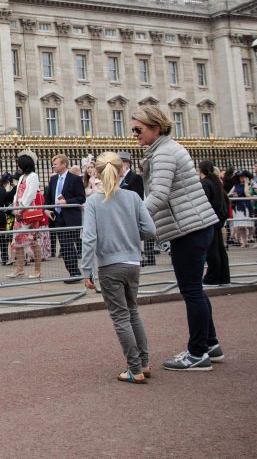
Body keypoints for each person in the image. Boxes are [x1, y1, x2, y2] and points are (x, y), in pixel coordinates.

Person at [131, 106, 224, 372]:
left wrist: (132, 220)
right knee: (196, 289)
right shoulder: (166, 149)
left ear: (155, 127)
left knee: (191, 291)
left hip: (187, 228)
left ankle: (197, 354)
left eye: (139, 129)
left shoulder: (163, 154)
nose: (135, 134)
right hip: (193, 225)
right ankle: (210, 344)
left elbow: (158, 196)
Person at [81, 152, 157, 384]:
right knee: (133, 312)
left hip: (110, 264)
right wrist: (132, 237)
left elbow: (90, 238)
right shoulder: (133, 197)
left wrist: (86, 270)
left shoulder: (94, 201)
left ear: (98, 173)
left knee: (120, 317)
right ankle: (143, 362)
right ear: (121, 171)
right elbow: (150, 230)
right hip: (133, 262)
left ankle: (134, 369)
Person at [45, 154, 86, 281]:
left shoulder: (75, 179)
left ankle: (75, 273)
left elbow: (81, 198)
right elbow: (49, 196)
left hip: (71, 217)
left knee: (68, 245)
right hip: (58, 217)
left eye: (55, 163)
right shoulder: (53, 179)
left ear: (64, 164)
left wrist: (67, 201)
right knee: (64, 245)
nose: (53, 166)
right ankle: (73, 272)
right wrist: (47, 209)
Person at [7, 151, 46, 279]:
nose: (18, 167)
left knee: (33, 241)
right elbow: (16, 194)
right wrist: (15, 207)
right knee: (17, 240)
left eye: (19, 164)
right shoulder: (22, 177)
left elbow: (30, 195)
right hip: (19, 210)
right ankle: (19, 268)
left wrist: (21, 209)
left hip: (28, 211)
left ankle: (37, 270)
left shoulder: (33, 176)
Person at [199, 160, 231, 286]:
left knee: (212, 251)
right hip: (217, 218)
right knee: (220, 249)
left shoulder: (205, 183)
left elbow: (204, 202)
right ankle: (224, 277)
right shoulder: (216, 182)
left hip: (210, 218)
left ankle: (213, 277)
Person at [228, 170, 255, 248]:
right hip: (238, 207)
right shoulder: (236, 185)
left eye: (243, 176)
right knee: (240, 226)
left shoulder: (250, 184)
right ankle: (244, 242)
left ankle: (250, 238)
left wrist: (246, 183)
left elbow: (247, 194)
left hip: (246, 207)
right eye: (240, 176)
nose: (241, 178)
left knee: (248, 225)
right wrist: (233, 195)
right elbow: (228, 194)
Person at [0, 173, 15, 265]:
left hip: (0, 218)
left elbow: (8, 200)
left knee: (2, 239)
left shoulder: (2, 190)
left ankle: (4, 257)